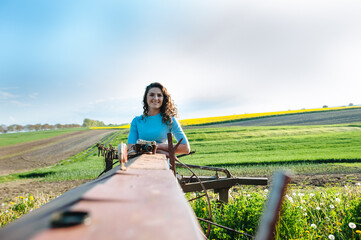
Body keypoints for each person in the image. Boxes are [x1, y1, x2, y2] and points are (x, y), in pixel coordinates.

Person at [127, 82, 190, 157]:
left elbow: (185, 148)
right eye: (152, 95)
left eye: (159, 95)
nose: (156, 98)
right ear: (146, 98)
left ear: (164, 98)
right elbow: (130, 149)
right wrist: (161, 151)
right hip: (140, 164)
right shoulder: (137, 121)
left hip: (162, 166)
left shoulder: (170, 120)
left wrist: (156, 146)